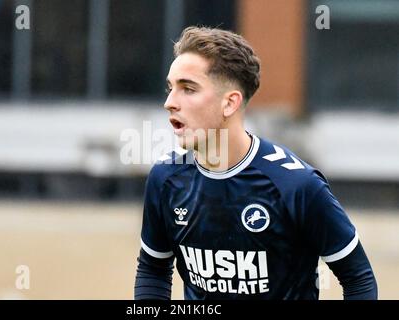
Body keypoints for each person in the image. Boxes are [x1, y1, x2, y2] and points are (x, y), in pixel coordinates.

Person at [134, 26, 377, 300]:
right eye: (170, 88)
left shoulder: (296, 186)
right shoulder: (165, 179)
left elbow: (359, 280)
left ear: (230, 103)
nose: (169, 102)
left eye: (188, 89)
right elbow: (153, 269)